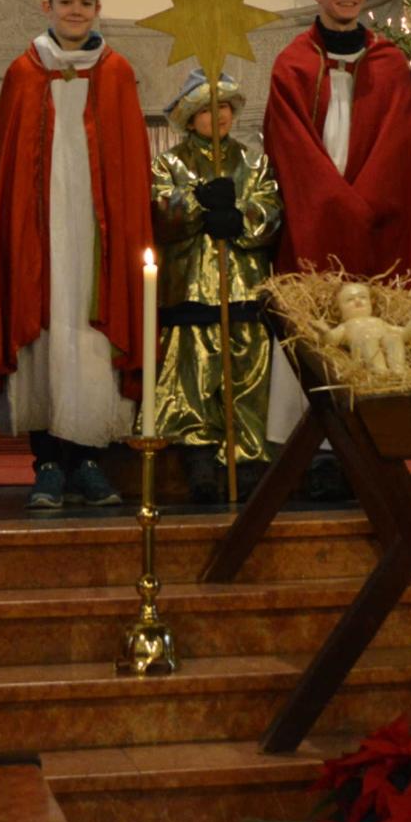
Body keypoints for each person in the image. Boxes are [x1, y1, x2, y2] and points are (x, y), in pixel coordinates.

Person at [0, 0, 155, 512]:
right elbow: (5, 161)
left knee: (93, 340)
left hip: (100, 231)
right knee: (45, 335)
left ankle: (89, 462)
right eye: (65, 0)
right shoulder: (23, 72)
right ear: (46, 7)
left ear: (97, 9)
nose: (75, 9)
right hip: (41, 229)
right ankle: (48, 463)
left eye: (85, 1)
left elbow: (129, 165)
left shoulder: (118, 71)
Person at [149, 70, 285, 503]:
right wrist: (196, 204)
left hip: (243, 286)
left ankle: (246, 457)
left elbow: (271, 208)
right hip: (190, 288)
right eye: (208, 109)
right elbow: (159, 209)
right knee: (194, 375)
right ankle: (200, 455)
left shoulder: (253, 161)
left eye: (224, 106)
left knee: (245, 373)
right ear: (191, 119)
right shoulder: (169, 163)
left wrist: (242, 217)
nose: (219, 115)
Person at [263, 0, 411, 282]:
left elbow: (397, 148)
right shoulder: (292, 64)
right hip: (317, 213)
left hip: (377, 216)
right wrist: (335, 200)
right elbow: (292, 150)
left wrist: (363, 203)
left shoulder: (390, 63)